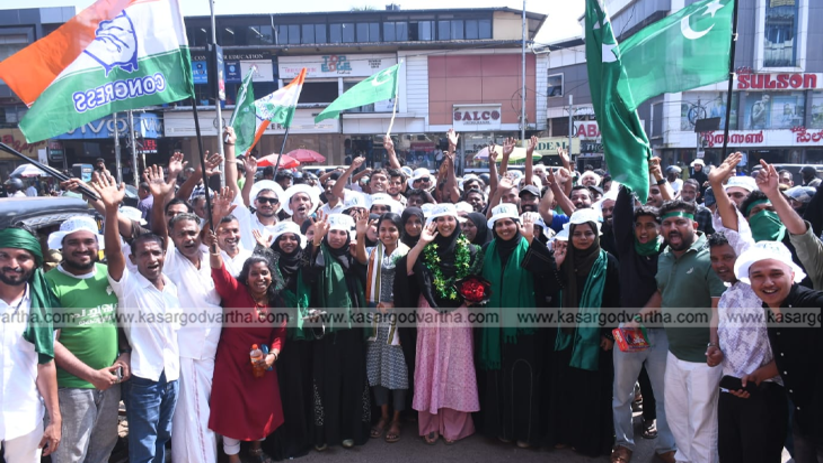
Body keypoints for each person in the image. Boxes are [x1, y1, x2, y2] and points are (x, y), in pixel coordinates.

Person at [92, 171, 180, 463]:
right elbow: (115, 251)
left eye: (156, 253)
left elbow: (161, 236)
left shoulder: (171, 285)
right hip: (144, 377)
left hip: (171, 375)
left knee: (163, 435)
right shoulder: (127, 285)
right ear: (133, 260)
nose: (152, 258)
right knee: (143, 442)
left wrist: (159, 200)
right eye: (144, 255)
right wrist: (111, 211)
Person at [631, 200, 727, 463]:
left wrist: (714, 344)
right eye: (667, 223)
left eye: (680, 222)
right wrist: (636, 319)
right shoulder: (664, 256)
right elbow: (663, 292)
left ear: (693, 225)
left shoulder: (710, 256)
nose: (673, 228)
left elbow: (717, 305)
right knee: (677, 419)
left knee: (703, 427)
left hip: (704, 359)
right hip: (675, 353)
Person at [146, 162, 223, 463]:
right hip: (186, 353)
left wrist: (216, 213)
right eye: (181, 234)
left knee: (207, 415)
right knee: (194, 420)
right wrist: (159, 199)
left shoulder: (209, 257)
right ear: (172, 237)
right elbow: (157, 232)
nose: (188, 238)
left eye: (192, 232)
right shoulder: (169, 261)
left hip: (211, 351)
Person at [45, 217, 127, 463]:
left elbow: (120, 319)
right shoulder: (48, 283)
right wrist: (91, 375)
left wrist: (125, 354)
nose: (82, 248)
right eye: (74, 243)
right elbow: (49, 343)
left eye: (88, 242)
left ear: (97, 245)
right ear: (62, 247)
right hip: (71, 388)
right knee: (71, 454)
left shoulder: (107, 275)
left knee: (102, 450)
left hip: (110, 383)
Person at [734, 241, 823, 463]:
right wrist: (759, 375)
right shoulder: (768, 308)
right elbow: (794, 353)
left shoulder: (813, 306)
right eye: (758, 276)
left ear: (792, 276)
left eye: (776, 273)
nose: (768, 282)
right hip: (803, 420)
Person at [542, 208, 619, 457]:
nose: (583, 238)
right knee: (566, 388)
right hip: (565, 337)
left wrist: (608, 334)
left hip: (595, 340)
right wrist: (557, 265)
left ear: (596, 235)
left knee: (591, 392)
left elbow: (615, 299)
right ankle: (565, 434)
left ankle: (587, 440)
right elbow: (551, 294)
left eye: (588, 233)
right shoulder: (566, 259)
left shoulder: (608, 262)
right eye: (578, 234)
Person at [204, 230, 286, 463]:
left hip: (261, 364)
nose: (260, 278)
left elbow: (280, 334)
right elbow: (219, 273)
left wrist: (273, 356)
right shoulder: (235, 293)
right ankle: (233, 457)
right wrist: (213, 249)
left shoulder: (277, 302)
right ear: (246, 277)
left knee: (262, 408)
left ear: (271, 276)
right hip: (231, 365)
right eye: (254, 274)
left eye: (264, 273)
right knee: (233, 411)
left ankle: (256, 449)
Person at [404, 203, 483, 444]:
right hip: (429, 311)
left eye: (450, 219)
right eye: (440, 219)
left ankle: (454, 425)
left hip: (459, 314)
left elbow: (475, 282)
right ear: (433, 223)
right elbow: (407, 269)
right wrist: (420, 243)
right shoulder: (425, 250)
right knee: (430, 363)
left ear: (457, 222)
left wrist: (472, 297)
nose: (446, 224)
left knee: (457, 366)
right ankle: (430, 422)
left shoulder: (471, 249)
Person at [610, 187, 675, 463]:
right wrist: (628, 182)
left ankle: (666, 447)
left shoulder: (670, 252)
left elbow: (677, 212)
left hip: (663, 332)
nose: (644, 231)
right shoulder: (626, 248)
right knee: (622, 393)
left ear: (661, 228)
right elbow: (621, 215)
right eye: (639, 226)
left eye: (650, 225)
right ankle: (623, 443)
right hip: (630, 328)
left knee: (665, 395)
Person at [478, 205, 550, 448]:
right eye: (499, 224)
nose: (504, 228)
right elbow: (480, 284)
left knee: (523, 380)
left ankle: (525, 432)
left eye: (509, 223)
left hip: (524, 329)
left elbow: (547, 276)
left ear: (518, 225)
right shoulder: (488, 249)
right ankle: (503, 430)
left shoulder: (529, 246)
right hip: (494, 328)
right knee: (498, 379)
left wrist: (532, 240)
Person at [303, 212, 371, 450]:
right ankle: (325, 434)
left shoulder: (353, 256)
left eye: (343, 233)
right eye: (334, 232)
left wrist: (361, 237)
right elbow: (308, 271)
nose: (338, 237)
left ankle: (350, 431)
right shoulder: (318, 254)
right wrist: (316, 241)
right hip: (324, 331)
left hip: (352, 331)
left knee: (352, 380)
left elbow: (365, 269)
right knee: (326, 381)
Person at [0, 226, 61, 462]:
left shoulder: (44, 307)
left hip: (24, 417)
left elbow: (45, 365)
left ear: (35, 262)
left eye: (22, 257)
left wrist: (55, 419)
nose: (12, 264)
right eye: (3, 255)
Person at [257, 221, 315, 461]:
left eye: (293, 238)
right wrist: (263, 251)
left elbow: (314, 269)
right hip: (276, 334)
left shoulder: (304, 261)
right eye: (283, 238)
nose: (288, 242)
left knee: (300, 386)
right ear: (276, 242)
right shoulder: (269, 265)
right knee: (279, 388)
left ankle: (302, 436)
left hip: (303, 336)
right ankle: (278, 440)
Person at [354, 212, 410, 444]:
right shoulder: (372, 252)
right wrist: (359, 235)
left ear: (400, 231)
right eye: (382, 229)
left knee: (398, 373)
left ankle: (397, 418)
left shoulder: (407, 254)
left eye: (391, 229)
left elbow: (414, 289)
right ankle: (384, 416)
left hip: (398, 320)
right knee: (375, 369)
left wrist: (395, 304)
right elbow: (359, 260)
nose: (386, 234)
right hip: (374, 320)